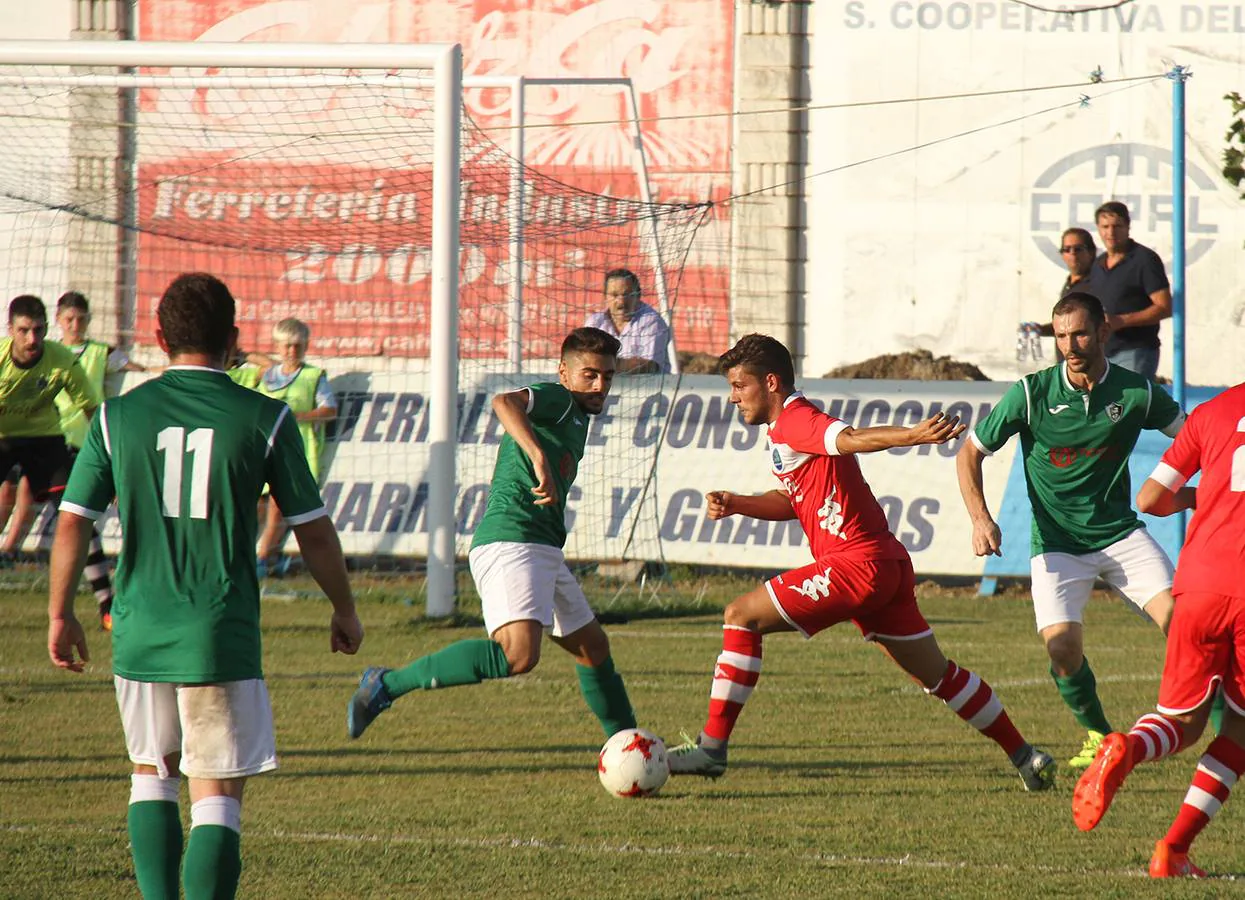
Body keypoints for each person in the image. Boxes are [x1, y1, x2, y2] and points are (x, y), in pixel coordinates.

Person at [46, 272, 363, 900]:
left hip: (140, 628)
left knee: (152, 774)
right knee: (215, 793)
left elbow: (72, 524)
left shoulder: (117, 416)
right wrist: (344, 608)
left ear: (160, 338)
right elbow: (314, 530)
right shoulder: (265, 417)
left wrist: (60, 612)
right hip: (219, 631)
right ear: (235, 340)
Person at [666, 334, 1056, 792]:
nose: (733, 397)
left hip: (855, 565)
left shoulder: (797, 418)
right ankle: (1026, 756)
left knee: (739, 617)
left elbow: (849, 439)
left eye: (739, 385)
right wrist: (738, 503)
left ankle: (711, 749)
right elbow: (796, 501)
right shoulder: (783, 432)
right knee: (938, 674)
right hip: (885, 564)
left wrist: (913, 435)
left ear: (769, 382)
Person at [347, 327, 638, 744]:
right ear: (564, 372)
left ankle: (630, 744)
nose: (600, 385)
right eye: (590, 374)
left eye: (607, 376)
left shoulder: (575, 415)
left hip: (541, 545)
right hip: (513, 541)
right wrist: (538, 456)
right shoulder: (558, 400)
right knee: (517, 655)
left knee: (592, 647)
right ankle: (385, 684)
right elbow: (504, 401)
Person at [956, 292, 1184, 770]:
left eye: (1079, 333)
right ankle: (1101, 737)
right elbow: (970, 453)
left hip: (1120, 534)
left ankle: (1230, 727)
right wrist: (981, 519)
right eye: (1060, 336)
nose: (1070, 345)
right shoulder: (1032, 393)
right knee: (1062, 649)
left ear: (1103, 331)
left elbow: (1194, 438)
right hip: (1056, 545)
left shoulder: (1135, 392)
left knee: (1185, 627)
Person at [1071, 379, 1245, 878]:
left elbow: (1150, 498)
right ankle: (1172, 848)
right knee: (1239, 730)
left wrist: (1204, 497)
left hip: (1197, 586)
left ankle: (1127, 748)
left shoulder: (1212, 413)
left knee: (1181, 722)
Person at [0, 295, 112, 624]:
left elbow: (94, 411)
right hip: (3, 439)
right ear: (11, 330)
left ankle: (108, 606)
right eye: (24, 331)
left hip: (45, 440)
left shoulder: (60, 359)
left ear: (47, 329)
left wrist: (111, 458)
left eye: (38, 330)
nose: (32, 339)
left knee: (76, 513)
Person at [255, 318, 336, 577]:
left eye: (298, 346)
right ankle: (272, 558)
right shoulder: (265, 376)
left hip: (296, 452)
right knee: (256, 508)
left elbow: (330, 409)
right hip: (261, 451)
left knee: (278, 508)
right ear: (277, 346)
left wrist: (298, 416)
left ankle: (260, 561)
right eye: (287, 346)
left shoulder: (314, 376)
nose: (292, 352)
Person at [1083, 201, 1172, 380]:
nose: (1111, 232)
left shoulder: (1144, 260)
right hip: (1102, 352)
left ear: (1128, 227)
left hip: (1135, 351)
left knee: (1128, 406)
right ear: (1098, 229)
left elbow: (1164, 307)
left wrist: (1122, 320)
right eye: (1105, 226)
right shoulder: (1098, 264)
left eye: (1117, 226)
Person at [584, 267, 672, 374]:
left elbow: (650, 365)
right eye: (614, 295)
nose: (621, 301)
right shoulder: (595, 323)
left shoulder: (652, 322)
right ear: (605, 297)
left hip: (650, 388)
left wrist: (603, 363)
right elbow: (584, 361)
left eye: (627, 295)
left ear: (638, 295)